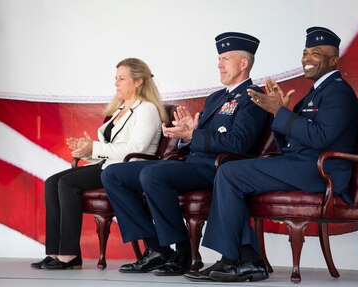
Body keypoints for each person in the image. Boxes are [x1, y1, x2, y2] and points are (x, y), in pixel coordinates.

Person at [184, 26, 358, 282]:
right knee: (232, 174)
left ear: (334, 60)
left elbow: (321, 138)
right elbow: (291, 141)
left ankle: (238, 260)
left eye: (317, 53)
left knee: (231, 172)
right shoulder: (317, 92)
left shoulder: (339, 92)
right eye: (306, 52)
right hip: (300, 164)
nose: (308, 58)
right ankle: (243, 259)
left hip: (321, 171)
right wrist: (280, 112)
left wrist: (281, 113)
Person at [101, 32, 269, 276]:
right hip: (192, 162)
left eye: (226, 58)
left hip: (218, 168)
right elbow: (196, 138)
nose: (219, 64)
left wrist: (194, 135)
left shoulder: (253, 97)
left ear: (243, 63)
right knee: (114, 174)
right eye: (219, 58)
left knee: (153, 174)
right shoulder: (215, 98)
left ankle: (182, 251)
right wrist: (185, 134)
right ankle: (157, 249)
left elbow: (239, 143)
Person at [30, 58, 168, 270]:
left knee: (67, 183)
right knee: (51, 182)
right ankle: (55, 252)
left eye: (122, 79)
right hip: (107, 165)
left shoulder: (147, 109)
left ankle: (70, 255)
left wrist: (93, 147)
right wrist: (86, 150)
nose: (116, 83)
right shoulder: (119, 109)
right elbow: (107, 148)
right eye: (116, 78)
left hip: (126, 169)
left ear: (139, 81)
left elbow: (134, 149)